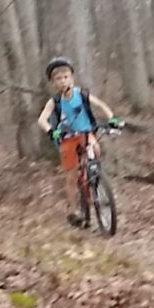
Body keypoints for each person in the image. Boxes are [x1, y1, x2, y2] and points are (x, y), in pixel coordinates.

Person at [35, 56, 120, 227]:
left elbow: (101, 106)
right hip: (67, 139)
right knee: (71, 176)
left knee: (95, 149)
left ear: (72, 78)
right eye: (58, 79)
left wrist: (112, 118)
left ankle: (96, 176)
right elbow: (41, 120)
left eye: (66, 77)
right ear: (53, 83)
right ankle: (73, 209)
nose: (63, 81)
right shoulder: (55, 102)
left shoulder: (82, 94)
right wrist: (52, 131)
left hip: (86, 133)